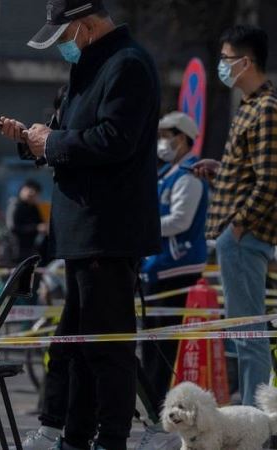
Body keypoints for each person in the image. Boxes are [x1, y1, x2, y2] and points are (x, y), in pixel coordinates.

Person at [0, 0, 161, 448]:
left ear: (85, 27)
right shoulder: (93, 66)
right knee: (77, 345)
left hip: (106, 229)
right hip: (83, 230)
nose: (64, 48)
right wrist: (35, 141)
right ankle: (75, 433)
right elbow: (66, 135)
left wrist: (52, 142)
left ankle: (111, 437)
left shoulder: (126, 65)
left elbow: (114, 139)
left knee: (106, 347)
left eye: (65, 37)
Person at [193, 25, 277, 407]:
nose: (221, 66)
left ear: (246, 62)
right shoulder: (251, 107)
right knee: (244, 333)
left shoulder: (265, 109)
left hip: (245, 237)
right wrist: (222, 169)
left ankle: (254, 422)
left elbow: (270, 180)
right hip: (238, 235)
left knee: (248, 333)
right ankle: (253, 416)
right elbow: (253, 172)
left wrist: (240, 225)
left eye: (226, 59)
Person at [136, 111, 207, 447]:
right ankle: (155, 418)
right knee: (151, 347)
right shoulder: (166, 174)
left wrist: (141, 227)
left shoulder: (188, 176)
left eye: (167, 135)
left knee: (161, 350)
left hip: (174, 268)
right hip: (156, 267)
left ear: (183, 138)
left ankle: (159, 425)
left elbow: (180, 220)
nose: (162, 142)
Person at [6, 180, 46, 261]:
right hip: (14, 249)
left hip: (30, 249)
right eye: (29, 189)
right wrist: (36, 228)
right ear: (21, 190)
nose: (31, 193)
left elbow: (41, 223)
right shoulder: (15, 205)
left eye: (35, 191)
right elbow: (13, 227)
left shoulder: (33, 208)